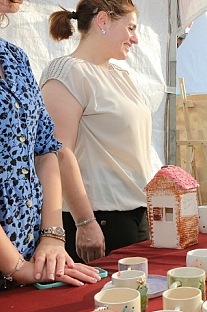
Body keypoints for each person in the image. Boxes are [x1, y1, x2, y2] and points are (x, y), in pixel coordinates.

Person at [0, 0, 100, 297]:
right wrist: (14, 265)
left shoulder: (13, 56)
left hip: (32, 254)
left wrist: (52, 237)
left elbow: (45, 147)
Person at [40, 0, 152, 264]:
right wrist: (85, 221)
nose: (135, 39)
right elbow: (58, 151)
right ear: (102, 21)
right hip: (100, 219)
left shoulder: (119, 75)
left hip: (135, 212)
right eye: (130, 28)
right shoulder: (68, 71)